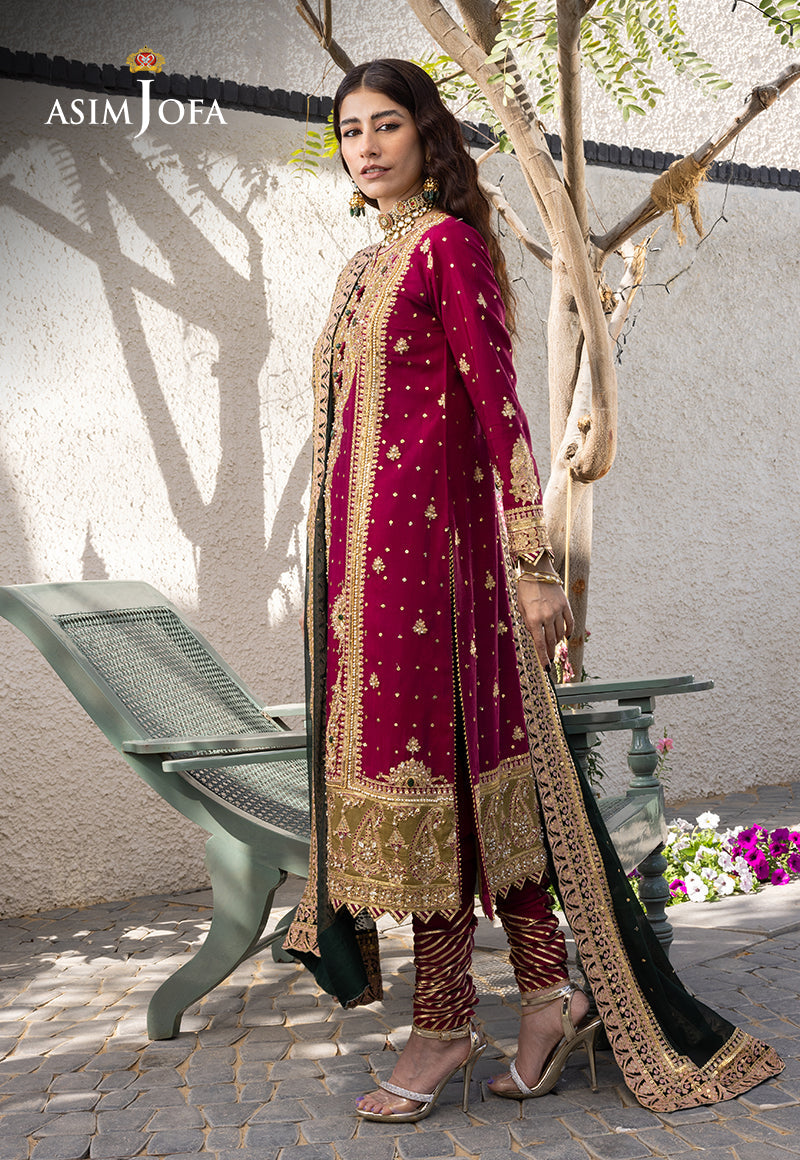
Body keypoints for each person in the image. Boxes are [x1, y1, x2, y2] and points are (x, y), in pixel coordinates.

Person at [284, 58, 783, 1122]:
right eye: (349, 129)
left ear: (425, 136)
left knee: (445, 791)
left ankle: (443, 1023)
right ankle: (546, 999)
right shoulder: (362, 265)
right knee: (458, 795)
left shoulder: (447, 247)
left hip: (442, 576)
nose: (365, 146)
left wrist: (531, 562)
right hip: (366, 588)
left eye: (385, 125)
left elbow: (499, 406)